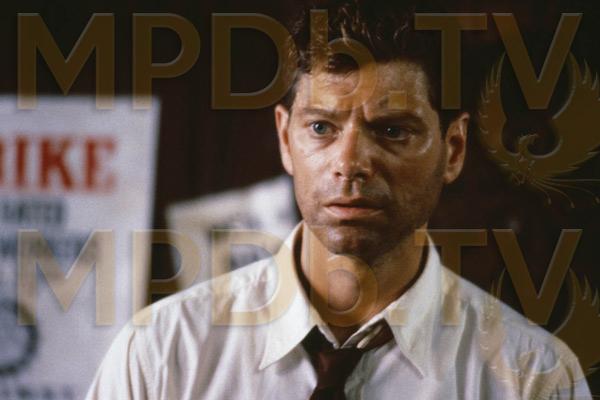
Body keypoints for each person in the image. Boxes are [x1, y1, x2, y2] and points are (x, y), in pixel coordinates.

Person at [86, 0, 592, 399]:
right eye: (321, 128)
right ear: (285, 140)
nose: (349, 163)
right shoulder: (160, 355)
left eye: (392, 130)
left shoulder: (531, 378)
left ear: (454, 150)